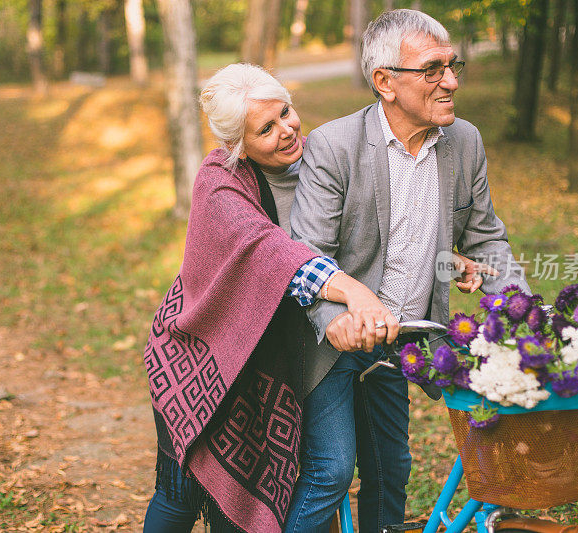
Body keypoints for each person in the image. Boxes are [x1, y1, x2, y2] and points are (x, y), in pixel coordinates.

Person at [286, 9, 530, 533]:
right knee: (330, 472)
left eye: (452, 64)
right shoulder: (333, 146)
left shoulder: (464, 141)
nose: (452, 81)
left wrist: (526, 312)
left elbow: (486, 238)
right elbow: (306, 253)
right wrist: (335, 319)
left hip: (404, 341)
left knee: (391, 471)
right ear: (385, 82)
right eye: (433, 69)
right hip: (329, 342)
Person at [142, 63, 397, 533]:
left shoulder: (320, 166)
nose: (287, 130)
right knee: (180, 495)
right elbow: (267, 248)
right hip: (202, 358)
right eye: (266, 128)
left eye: (286, 112)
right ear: (237, 145)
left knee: (240, 507)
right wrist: (350, 289)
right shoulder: (220, 181)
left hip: (273, 357)